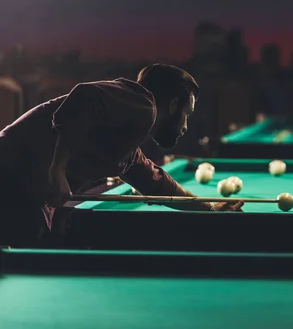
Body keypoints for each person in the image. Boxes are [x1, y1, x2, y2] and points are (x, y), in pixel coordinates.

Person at [0, 63, 243, 247]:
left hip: (17, 187)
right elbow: (85, 96)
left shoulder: (126, 148)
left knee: (33, 238)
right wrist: (58, 169)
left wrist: (209, 207)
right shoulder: (145, 104)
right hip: (8, 173)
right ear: (172, 105)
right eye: (186, 114)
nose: (186, 126)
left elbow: (160, 185)